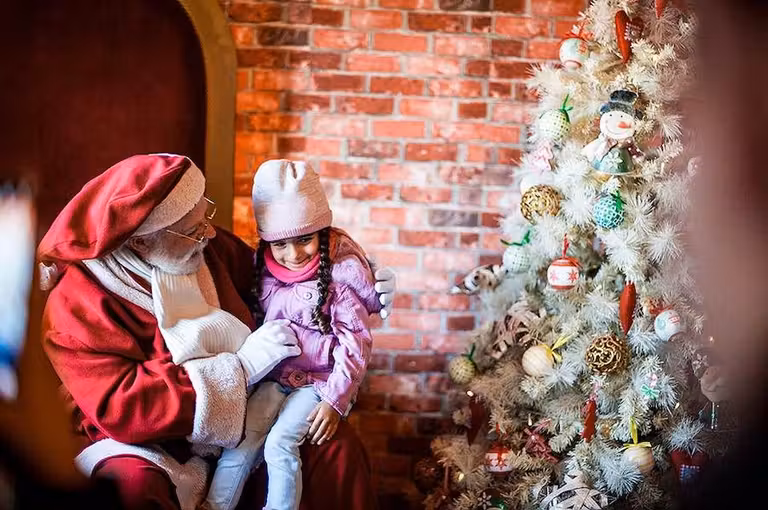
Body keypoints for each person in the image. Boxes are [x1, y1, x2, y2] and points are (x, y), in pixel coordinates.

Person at [37, 154, 396, 510]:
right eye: (193, 229)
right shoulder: (78, 303)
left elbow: (284, 275)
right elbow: (123, 407)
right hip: (147, 443)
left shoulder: (210, 249)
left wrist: (354, 274)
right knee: (133, 486)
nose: (208, 232)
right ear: (141, 241)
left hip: (245, 415)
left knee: (334, 448)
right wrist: (238, 369)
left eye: (206, 215)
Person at [206, 160, 380, 510]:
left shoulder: (339, 279)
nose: (294, 254)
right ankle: (214, 505)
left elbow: (355, 345)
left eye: (305, 240)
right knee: (242, 441)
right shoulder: (264, 271)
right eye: (280, 244)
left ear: (322, 234)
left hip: (317, 384)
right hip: (274, 380)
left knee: (279, 443)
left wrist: (335, 401)